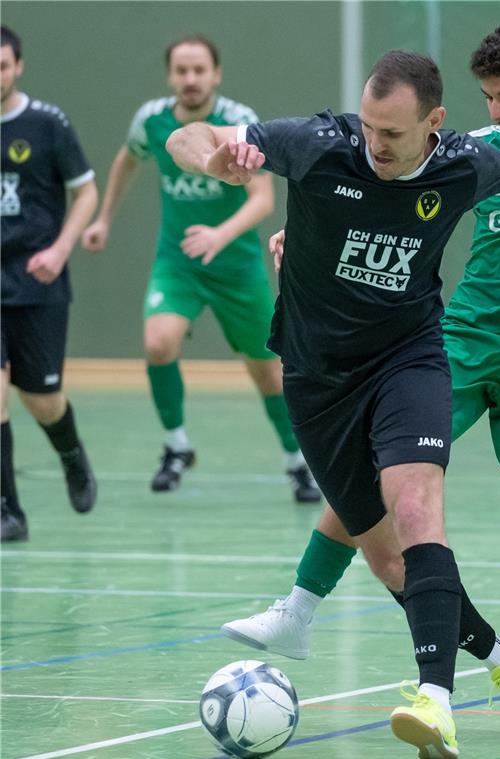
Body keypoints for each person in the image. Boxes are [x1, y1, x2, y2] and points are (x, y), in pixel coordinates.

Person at [166, 49, 500, 759]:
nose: (376, 143)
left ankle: (434, 698)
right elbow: (188, 140)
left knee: (414, 509)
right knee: (390, 562)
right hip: (314, 376)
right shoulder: (316, 144)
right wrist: (217, 156)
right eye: (369, 127)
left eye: (393, 133)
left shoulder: (465, 164)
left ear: (433, 123)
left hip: (409, 361)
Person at [81, 35, 320, 502]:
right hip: (179, 261)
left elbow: (262, 199)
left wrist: (219, 235)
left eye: (199, 70)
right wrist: (104, 218)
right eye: (181, 70)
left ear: (216, 74)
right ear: (171, 76)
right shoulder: (151, 120)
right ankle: (176, 446)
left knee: (267, 372)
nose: (190, 79)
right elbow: (126, 160)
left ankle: (297, 462)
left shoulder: (238, 122)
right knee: (158, 342)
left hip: (236, 266)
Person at [1, 25, 99, 543]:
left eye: (2, 65)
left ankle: (71, 453)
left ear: (18, 67)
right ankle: (7, 510)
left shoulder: (47, 124)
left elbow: (85, 192)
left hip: (37, 278)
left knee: (42, 398)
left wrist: (60, 249)